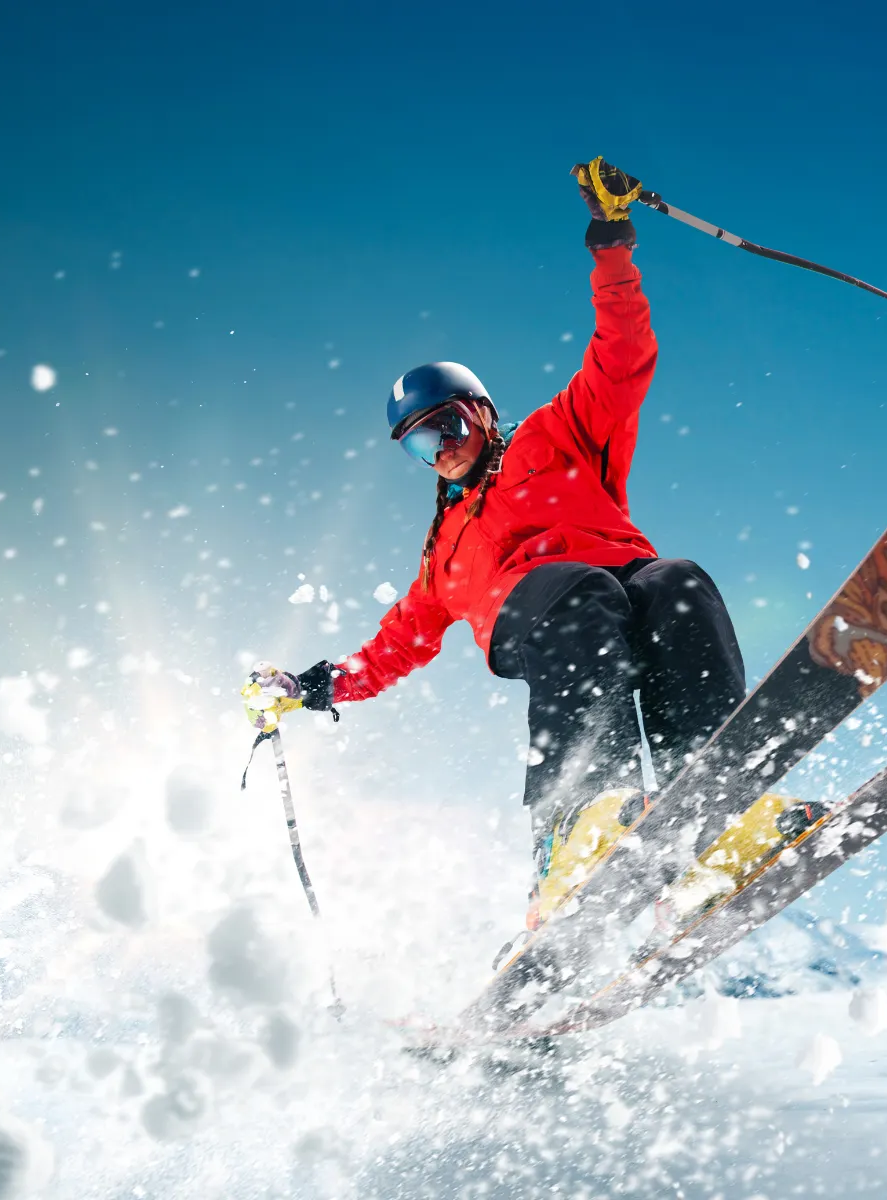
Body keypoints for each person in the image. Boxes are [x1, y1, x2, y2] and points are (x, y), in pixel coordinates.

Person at [247, 158, 747, 931]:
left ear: (480, 411)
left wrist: (611, 245)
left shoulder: (559, 435)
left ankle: (711, 803)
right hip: (544, 614)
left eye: (446, 426)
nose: (440, 450)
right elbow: (395, 646)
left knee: (676, 582)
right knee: (580, 594)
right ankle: (577, 823)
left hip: (624, 583)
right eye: (418, 447)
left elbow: (620, 357)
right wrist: (315, 685)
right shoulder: (446, 550)